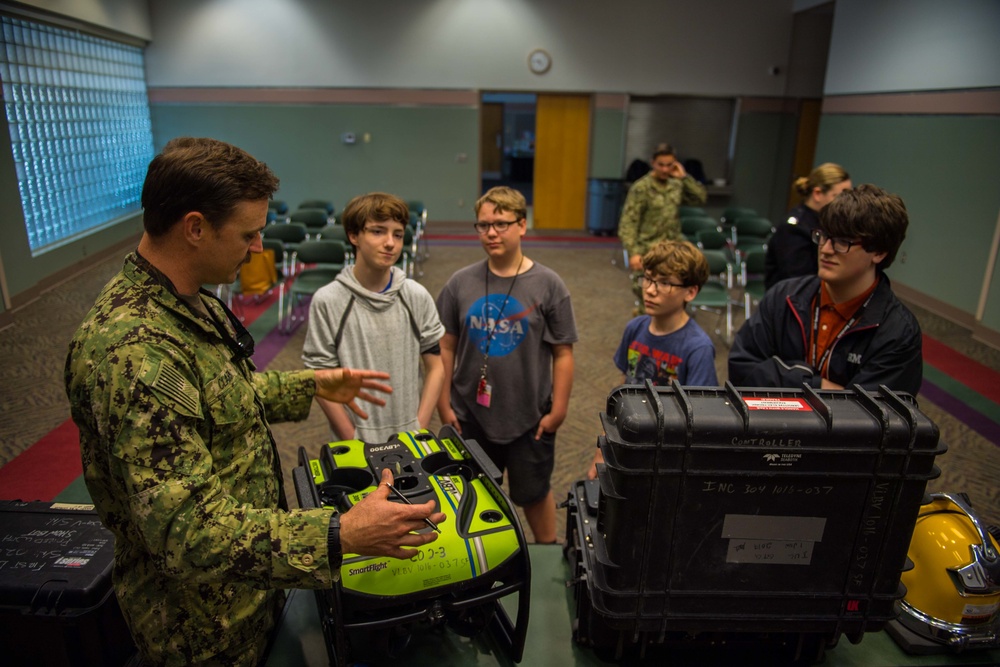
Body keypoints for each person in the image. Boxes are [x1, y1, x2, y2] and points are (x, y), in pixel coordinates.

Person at [64, 137, 446, 667]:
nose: (259, 248)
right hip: (204, 628)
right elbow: (187, 532)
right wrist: (340, 533)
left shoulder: (186, 300)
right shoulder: (134, 352)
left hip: (252, 587)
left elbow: (217, 395)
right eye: (248, 233)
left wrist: (310, 386)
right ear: (195, 227)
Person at [436, 186, 577, 544]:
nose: (491, 233)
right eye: (483, 225)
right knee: (475, 494)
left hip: (530, 415)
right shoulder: (459, 283)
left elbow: (563, 353)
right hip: (469, 412)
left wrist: (558, 410)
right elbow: (445, 347)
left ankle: (547, 550)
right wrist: (443, 403)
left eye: (500, 224)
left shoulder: (548, 285)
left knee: (533, 492)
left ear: (522, 225)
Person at [729, 184, 922, 396]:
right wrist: (817, 386)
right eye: (824, 236)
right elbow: (741, 371)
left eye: (842, 242)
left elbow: (871, 417)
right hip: (771, 425)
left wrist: (781, 374)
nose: (826, 249)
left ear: (879, 252)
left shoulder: (898, 332)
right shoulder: (784, 296)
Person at [303, 192, 445, 443]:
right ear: (354, 235)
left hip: (410, 436)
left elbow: (435, 367)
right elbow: (319, 376)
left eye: (398, 234)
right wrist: (351, 436)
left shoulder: (416, 296)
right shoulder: (328, 300)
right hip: (355, 440)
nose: (390, 243)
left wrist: (419, 427)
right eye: (378, 232)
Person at [587, 239, 718, 479]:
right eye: (648, 278)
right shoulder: (635, 328)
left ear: (690, 291)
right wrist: (603, 446)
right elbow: (620, 394)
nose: (650, 289)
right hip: (629, 444)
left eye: (665, 283)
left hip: (668, 458)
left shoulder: (697, 348)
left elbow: (701, 420)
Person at [618, 143, 707, 311]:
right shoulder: (642, 187)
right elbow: (628, 222)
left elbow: (700, 198)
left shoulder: (676, 184)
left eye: (669, 165)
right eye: (661, 165)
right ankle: (644, 334)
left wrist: (684, 177)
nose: (665, 170)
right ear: (653, 163)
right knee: (649, 302)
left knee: (674, 301)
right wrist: (634, 252)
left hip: (674, 253)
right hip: (649, 253)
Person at [764, 163, 851, 289]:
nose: (845, 203)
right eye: (839, 196)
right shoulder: (794, 228)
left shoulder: (826, 223)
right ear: (817, 194)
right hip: (789, 300)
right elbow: (798, 279)